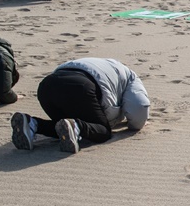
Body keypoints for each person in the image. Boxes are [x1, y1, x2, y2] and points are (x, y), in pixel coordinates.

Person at [10, 58, 150, 154]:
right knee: (102, 131)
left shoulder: (106, 66)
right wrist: (134, 124)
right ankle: (77, 126)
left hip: (46, 86)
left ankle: (32, 124)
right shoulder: (131, 77)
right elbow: (140, 107)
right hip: (81, 86)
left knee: (62, 125)